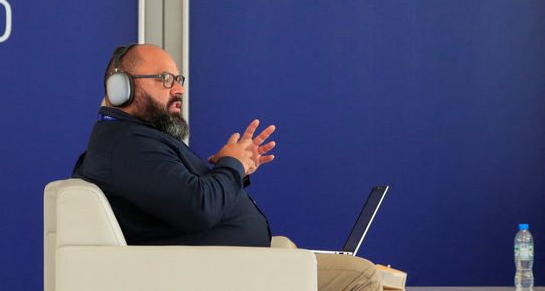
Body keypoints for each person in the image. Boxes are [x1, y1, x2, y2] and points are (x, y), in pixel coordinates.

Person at [73, 43, 382, 291]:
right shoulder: (128, 146)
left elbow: (184, 200)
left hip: (229, 264)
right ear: (120, 88)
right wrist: (232, 165)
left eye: (178, 79)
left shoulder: (134, 140)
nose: (178, 90)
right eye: (164, 79)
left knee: (300, 251)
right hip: (218, 271)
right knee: (362, 276)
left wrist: (231, 168)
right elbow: (198, 207)